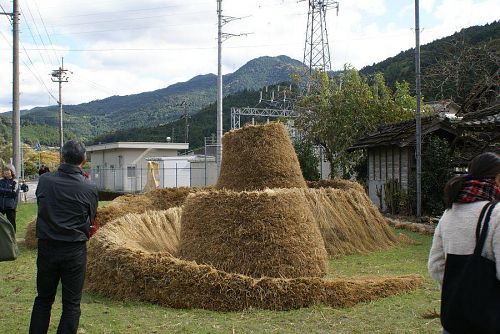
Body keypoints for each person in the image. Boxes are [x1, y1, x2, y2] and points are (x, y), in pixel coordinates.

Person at [29, 140, 98, 334]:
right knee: (71, 303)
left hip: (47, 246)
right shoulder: (89, 186)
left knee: (43, 299)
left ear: (62, 157)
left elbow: (41, 207)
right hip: (74, 249)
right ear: (83, 159)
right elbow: (91, 218)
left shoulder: (45, 180)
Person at [428, 152, 500, 334]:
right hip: (489, 321)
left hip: (455, 320)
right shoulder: (496, 213)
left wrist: (461, 286)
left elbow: (435, 265)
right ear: (496, 179)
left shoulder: (449, 212)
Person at [0, 164, 20, 231]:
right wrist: (9, 190)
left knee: (11, 223)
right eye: (5, 171)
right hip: (1, 205)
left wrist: (2, 191)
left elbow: (14, 193)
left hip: (10, 206)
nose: (6, 172)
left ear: (11, 172)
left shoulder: (15, 181)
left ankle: (13, 238)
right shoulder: (1, 180)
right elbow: (10, 191)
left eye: (8, 170)